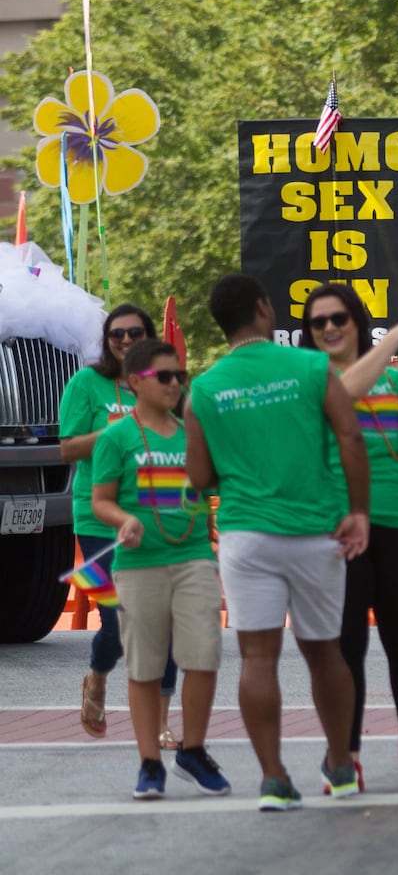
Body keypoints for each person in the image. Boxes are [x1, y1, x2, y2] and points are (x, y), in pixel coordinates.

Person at [184, 273, 369, 812]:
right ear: (264, 309)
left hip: (246, 535)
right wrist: (358, 512)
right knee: (324, 652)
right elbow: (351, 437)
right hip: (316, 531)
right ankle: (340, 764)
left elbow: (198, 477)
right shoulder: (311, 366)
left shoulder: (204, 389)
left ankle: (273, 778)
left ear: (221, 324)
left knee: (257, 657)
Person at [301, 284, 398, 787]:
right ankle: (348, 754)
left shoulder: (392, 377)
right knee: (346, 648)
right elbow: (341, 393)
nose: (329, 328)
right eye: (318, 321)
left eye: (339, 317)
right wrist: (393, 341)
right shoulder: (308, 379)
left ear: (357, 321)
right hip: (338, 531)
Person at [90, 338, 229, 799]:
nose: (174, 385)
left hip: (193, 559)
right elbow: (101, 501)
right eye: (164, 377)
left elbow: (211, 486)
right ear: (135, 382)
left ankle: (192, 748)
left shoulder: (194, 431)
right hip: (138, 566)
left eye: (179, 377)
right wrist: (124, 520)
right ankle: (150, 762)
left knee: (204, 654)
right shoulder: (116, 437)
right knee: (145, 667)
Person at [59, 303, 180, 748]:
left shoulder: (163, 383)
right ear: (107, 340)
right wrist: (121, 428)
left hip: (155, 517)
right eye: (117, 334)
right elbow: (68, 448)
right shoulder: (86, 384)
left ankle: (163, 723)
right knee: (118, 622)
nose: (126, 340)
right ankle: (97, 676)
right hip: (99, 516)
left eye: (135, 333)